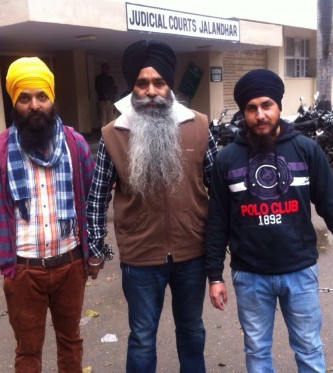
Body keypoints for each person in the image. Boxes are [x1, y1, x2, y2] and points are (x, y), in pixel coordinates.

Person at [205, 69, 333, 372]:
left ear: (279, 106)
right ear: (244, 113)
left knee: (309, 349)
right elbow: (217, 221)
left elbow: (332, 205)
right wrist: (214, 276)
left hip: (300, 271)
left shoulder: (306, 150)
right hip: (250, 275)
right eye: (252, 108)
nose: (260, 114)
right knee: (257, 353)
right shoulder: (227, 159)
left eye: (266, 105)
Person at [86, 39, 218, 373]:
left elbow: (220, 190)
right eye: (142, 83)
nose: (151, 91)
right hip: (140, 256)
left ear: (169, 85)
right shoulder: (112, 134)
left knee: (192, 330)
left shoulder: (199, 125)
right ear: (132, 88)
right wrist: (95, 246)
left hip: (192, 253)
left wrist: (221, 246)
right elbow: (97, 196)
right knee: (143, 337)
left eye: (159, 82)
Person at [0, 57, 97, 373]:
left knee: (71, 341)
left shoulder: (75, 145)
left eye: (42, 96)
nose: (35, 105)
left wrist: (93, 252)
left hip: (70, 263)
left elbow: (93, 203)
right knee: (28, 351)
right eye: (25, 98)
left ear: (52, 99)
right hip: (23, 270)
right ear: (15, 102)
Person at [95, 62, 117, 126]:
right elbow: (97, 88)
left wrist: (114, 98)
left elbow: (113, 89)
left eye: (107, 68)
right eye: (104, 68)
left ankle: (110, 132)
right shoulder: (98, 78)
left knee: (111, 117)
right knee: (103, 117)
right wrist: (103, 94)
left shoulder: (110, 78)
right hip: (102, 100)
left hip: (111, 99)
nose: (105, 70)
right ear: (102, 69)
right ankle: (104, 133)